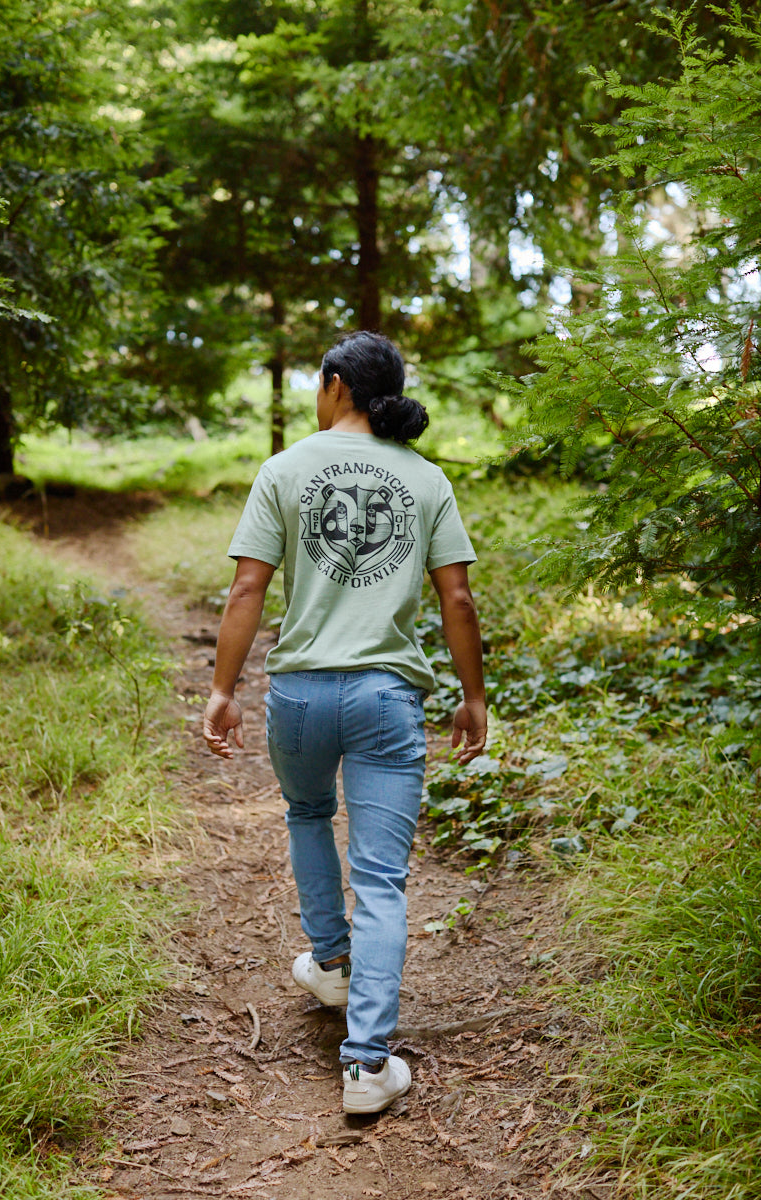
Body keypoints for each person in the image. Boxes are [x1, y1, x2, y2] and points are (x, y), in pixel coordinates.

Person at [203, 331, 487, 1114]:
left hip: (299, 693)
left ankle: (330, 961)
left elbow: (248, 590)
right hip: (386, 697)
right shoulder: (425, 478)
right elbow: (458, 599)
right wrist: (474, 697)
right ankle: (366, 1066)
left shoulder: (284, 469)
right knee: (383, 879)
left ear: (335, 385)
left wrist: (223, 689)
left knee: (306, 812)